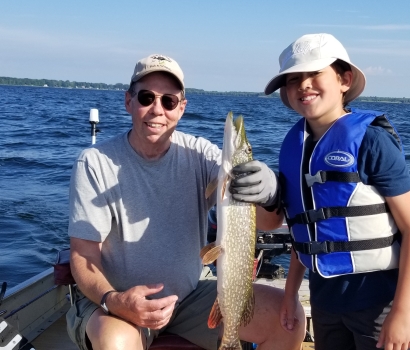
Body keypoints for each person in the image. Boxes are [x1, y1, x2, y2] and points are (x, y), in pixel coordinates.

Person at [66, 53, 305, 350]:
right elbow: (82, 255)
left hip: (190, 293)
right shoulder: (95, 163)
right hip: (117, 300)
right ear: (129, 101)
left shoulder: (202, 155)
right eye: (146, 98)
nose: (157, 110)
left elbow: (269, 222)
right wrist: (113, 300)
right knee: (117, 342)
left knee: (289, 316)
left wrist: (269, 194)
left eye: (168, 101)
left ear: (181, 109)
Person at [263, 33, 410, 350]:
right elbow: (306, 231)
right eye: (293, 79)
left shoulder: (372, 141)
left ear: (344, 80)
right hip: (324, 301)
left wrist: (403, 312)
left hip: (378, 302)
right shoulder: (293, 147)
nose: (304, 85)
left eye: (315, 73)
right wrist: (290, 295)